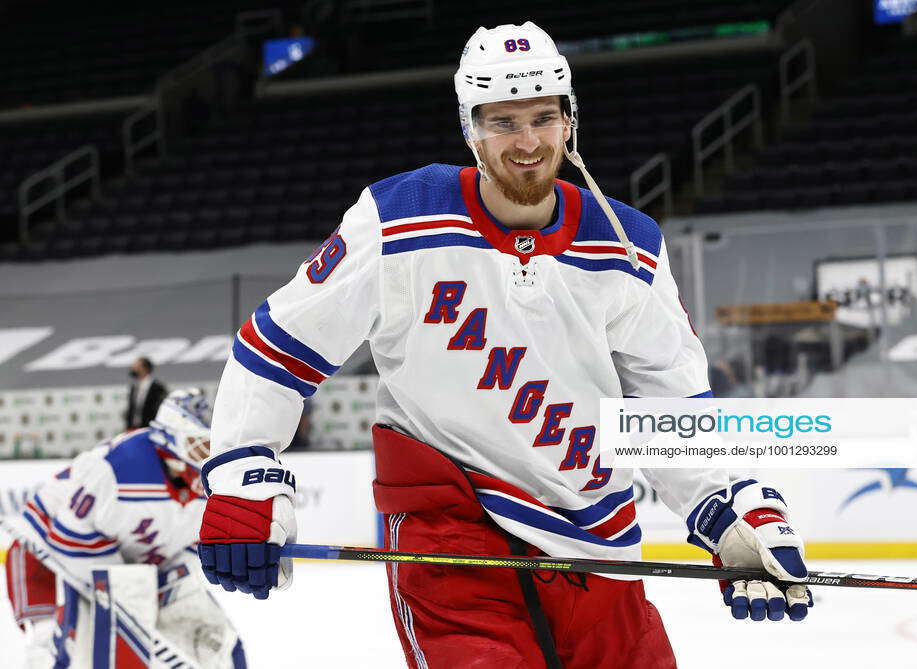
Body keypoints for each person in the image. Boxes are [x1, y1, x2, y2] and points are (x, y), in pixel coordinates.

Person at [197, 22, 813, 668]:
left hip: (595, 544)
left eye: (544, 118)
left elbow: (669, 400)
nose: (527, 142)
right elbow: (278, 346)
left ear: (570, 121)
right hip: (450, 539)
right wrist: (243, 474)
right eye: (502, 122)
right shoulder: (400, 218)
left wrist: (731, 510)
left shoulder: (627, 245)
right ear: (470, 129)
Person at [5, 389, 247, 668]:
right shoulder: (120, 467)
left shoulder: (214, 478)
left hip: (129, 565)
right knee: (52, 650)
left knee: (218, 642)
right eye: (201, 444)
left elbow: (195, 543)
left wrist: (164, 584)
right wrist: (121, 594)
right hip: (48, 554)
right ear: (171, 438)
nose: (211, 454)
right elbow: (70, 537)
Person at [124, 356, 168, 430]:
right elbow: (132, 409)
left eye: (136, 366)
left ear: (145, 369)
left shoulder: (157, 388)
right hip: (134, 428)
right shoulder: (134, 387)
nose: (133, 368)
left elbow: (159, 410)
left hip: (150, 429)